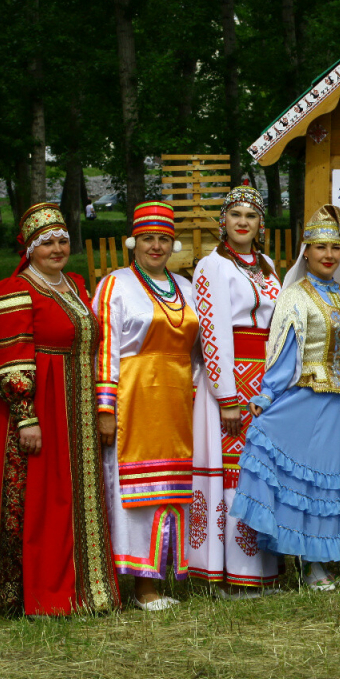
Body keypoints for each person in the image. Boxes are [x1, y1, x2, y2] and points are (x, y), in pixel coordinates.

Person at [0, 202, 118, 615]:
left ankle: (85, 588)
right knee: (40, 500)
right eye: (47, 243)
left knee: (76, 496)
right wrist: (26, 417)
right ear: (31, 247)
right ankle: (38, 593)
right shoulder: (13, 290)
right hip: (40, 409)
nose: (57, 249)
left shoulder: (74, 284)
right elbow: (10, 361)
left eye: (62, 241)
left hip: (77, 405)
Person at [230, 205, 340, 591]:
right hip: (308, 400)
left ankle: (323, 562)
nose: (328, 254)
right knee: (309, 485)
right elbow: (283, 351)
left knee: (333, 484)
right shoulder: (295, 294)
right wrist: (267, 394)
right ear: (305, 252)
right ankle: (311, 568)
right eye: (319, 246)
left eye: (335, 248)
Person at [93, 201, 200, 611]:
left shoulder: (186, 288)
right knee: (135, 490)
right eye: (149, 239)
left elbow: (198, 354)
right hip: (133, 398)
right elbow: (105, 349)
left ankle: (164, 573)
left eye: (164, 239)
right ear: (133, 243)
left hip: (178, 401)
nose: (156, 246)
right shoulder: (114, 285)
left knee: (173, 490)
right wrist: (105, 407)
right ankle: (141, 585)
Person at [189, 186, 282, 597]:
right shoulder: (212, 266)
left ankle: (264, 571)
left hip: (265, 378)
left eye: (251, 214)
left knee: (261, 472)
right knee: (233, 475)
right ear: (222, 221)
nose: (243, 221)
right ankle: (234, 574)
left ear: (261, 224)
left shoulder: (266, 264)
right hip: (230, 379)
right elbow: (212, 333)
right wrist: (226, 395)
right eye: (236, 214)